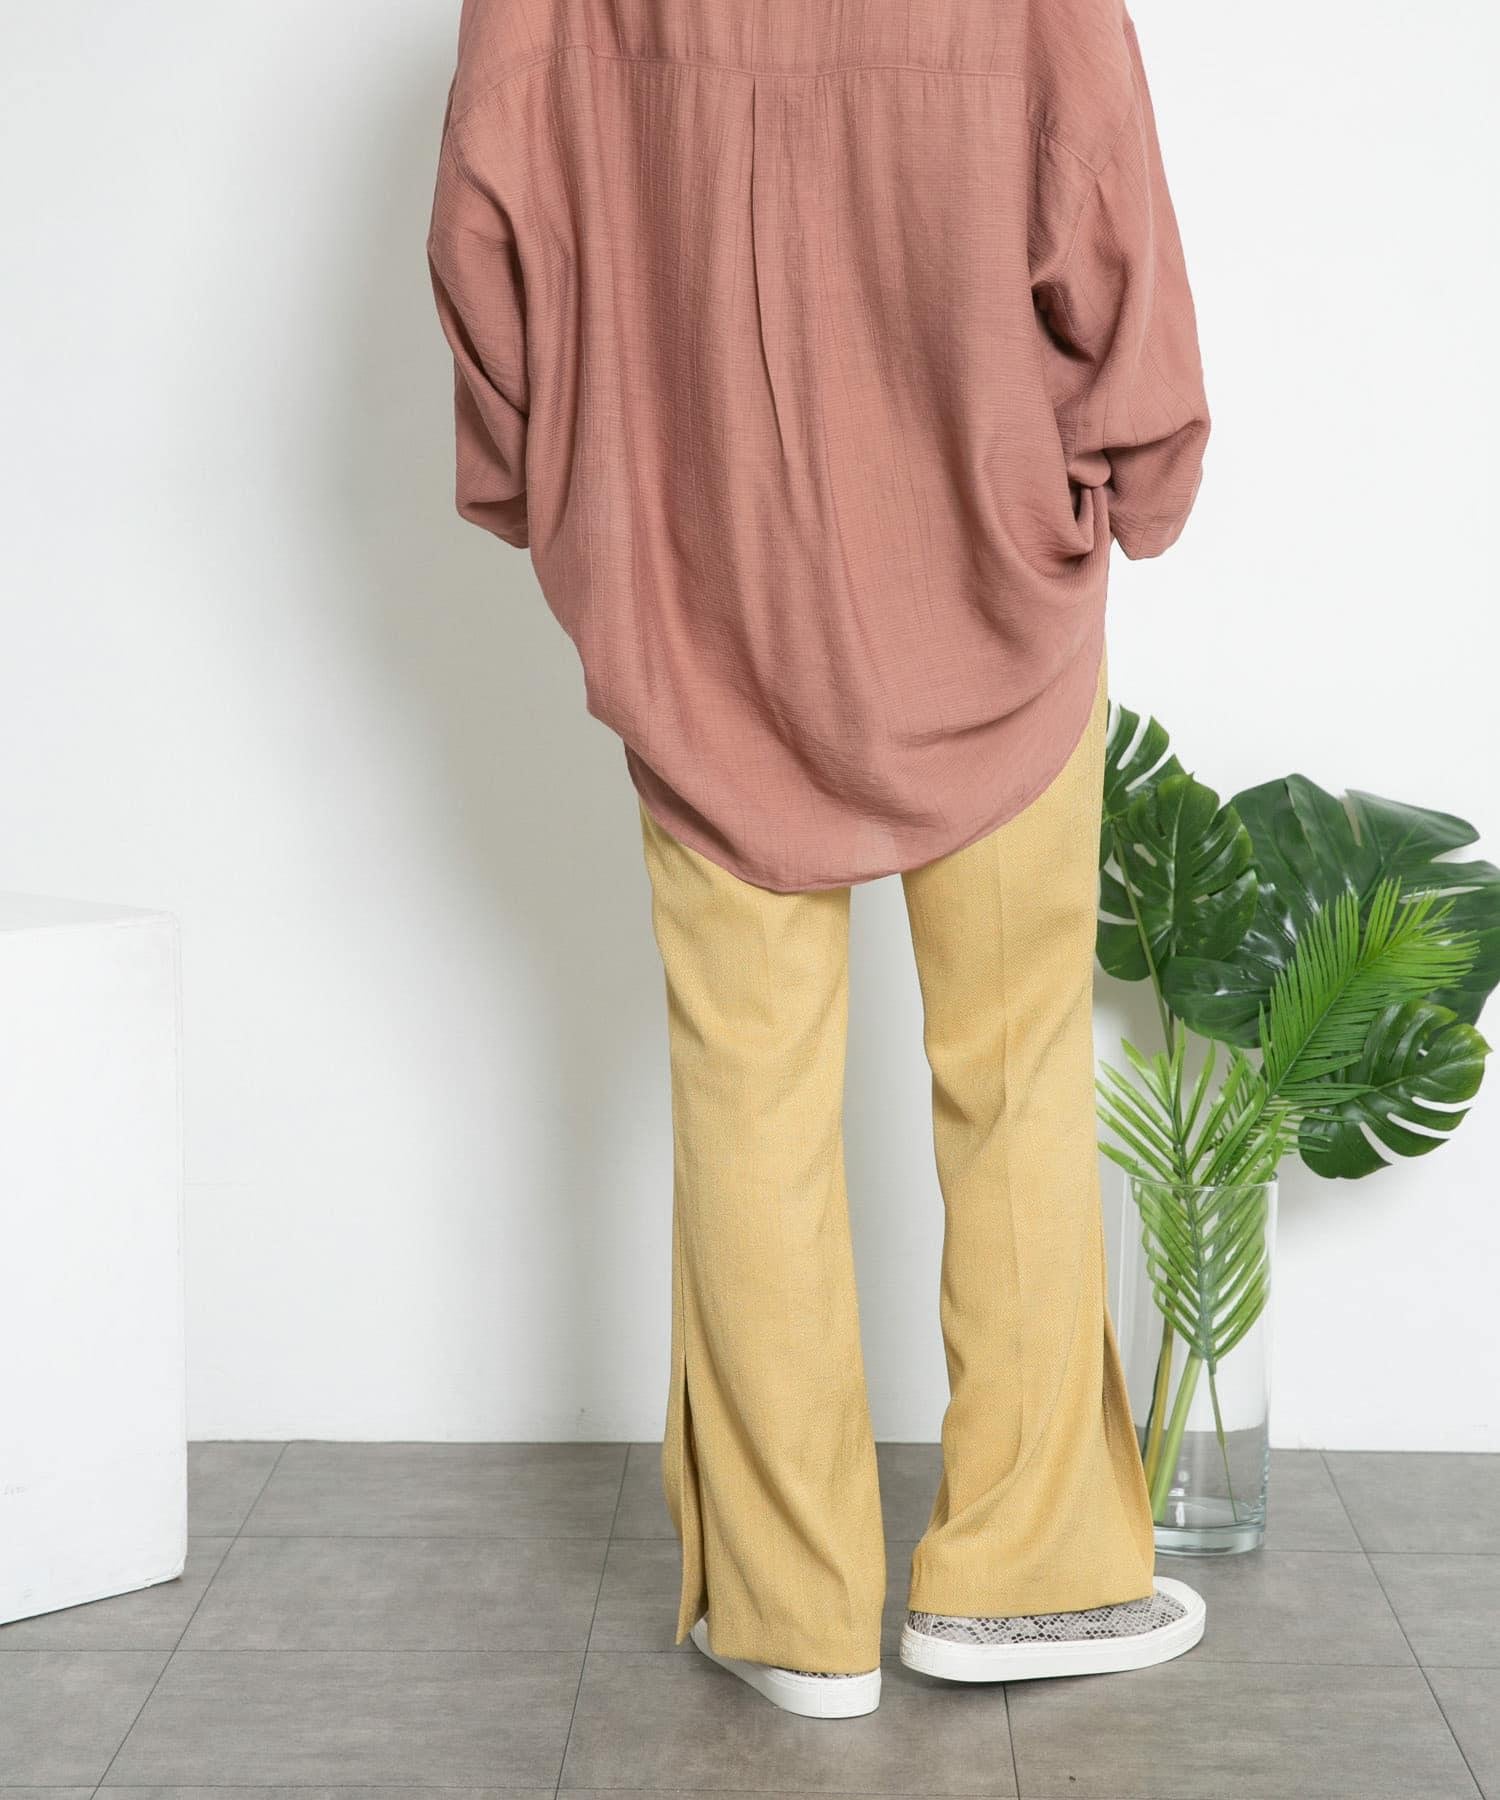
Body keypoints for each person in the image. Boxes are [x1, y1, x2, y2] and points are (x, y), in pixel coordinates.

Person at [428, 0, 1210, 1719]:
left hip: (695, 590)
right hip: (984, 589)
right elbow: (1108, 215)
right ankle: (1025, 1582)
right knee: (1012, 1075)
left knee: (747, 1091)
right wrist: (1144, 474)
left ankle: (790, 1613)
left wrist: (544, 488)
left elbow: (481, 237)